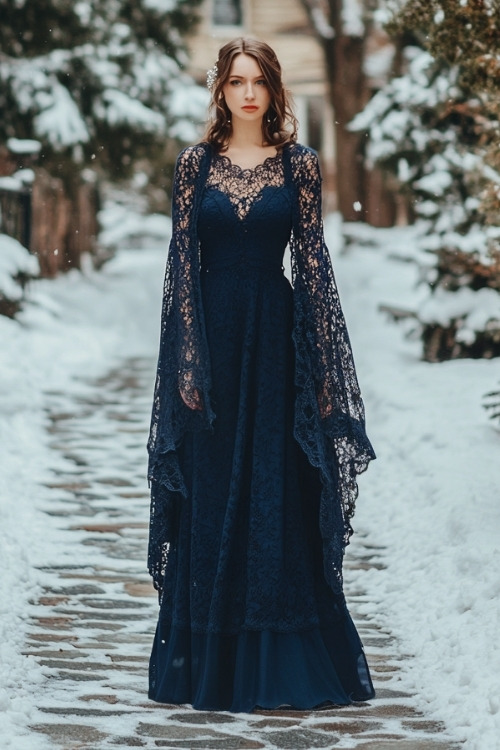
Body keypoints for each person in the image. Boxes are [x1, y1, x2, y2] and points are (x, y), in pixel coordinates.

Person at [147, 37, 376, 713]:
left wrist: (324, 366)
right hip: (212, 342)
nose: (248, 93)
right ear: (220, 90)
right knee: (214, 488)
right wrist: (188, 354)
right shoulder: (195, 166)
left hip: (277, 344)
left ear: (275, 91)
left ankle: (280, 659)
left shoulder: (301, 166)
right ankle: (209, 664)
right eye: (236, 81)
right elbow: (180, 269)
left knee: (275, 492)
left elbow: (314, 268)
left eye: (260, 82)